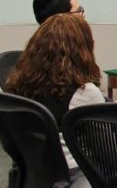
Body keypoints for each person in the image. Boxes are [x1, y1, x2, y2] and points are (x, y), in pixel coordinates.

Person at [4, 12, 107, 172]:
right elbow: (109, 157)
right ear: (83, 49)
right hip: (77, 178)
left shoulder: (15, 85)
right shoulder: (84, 92)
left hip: (32, 178)